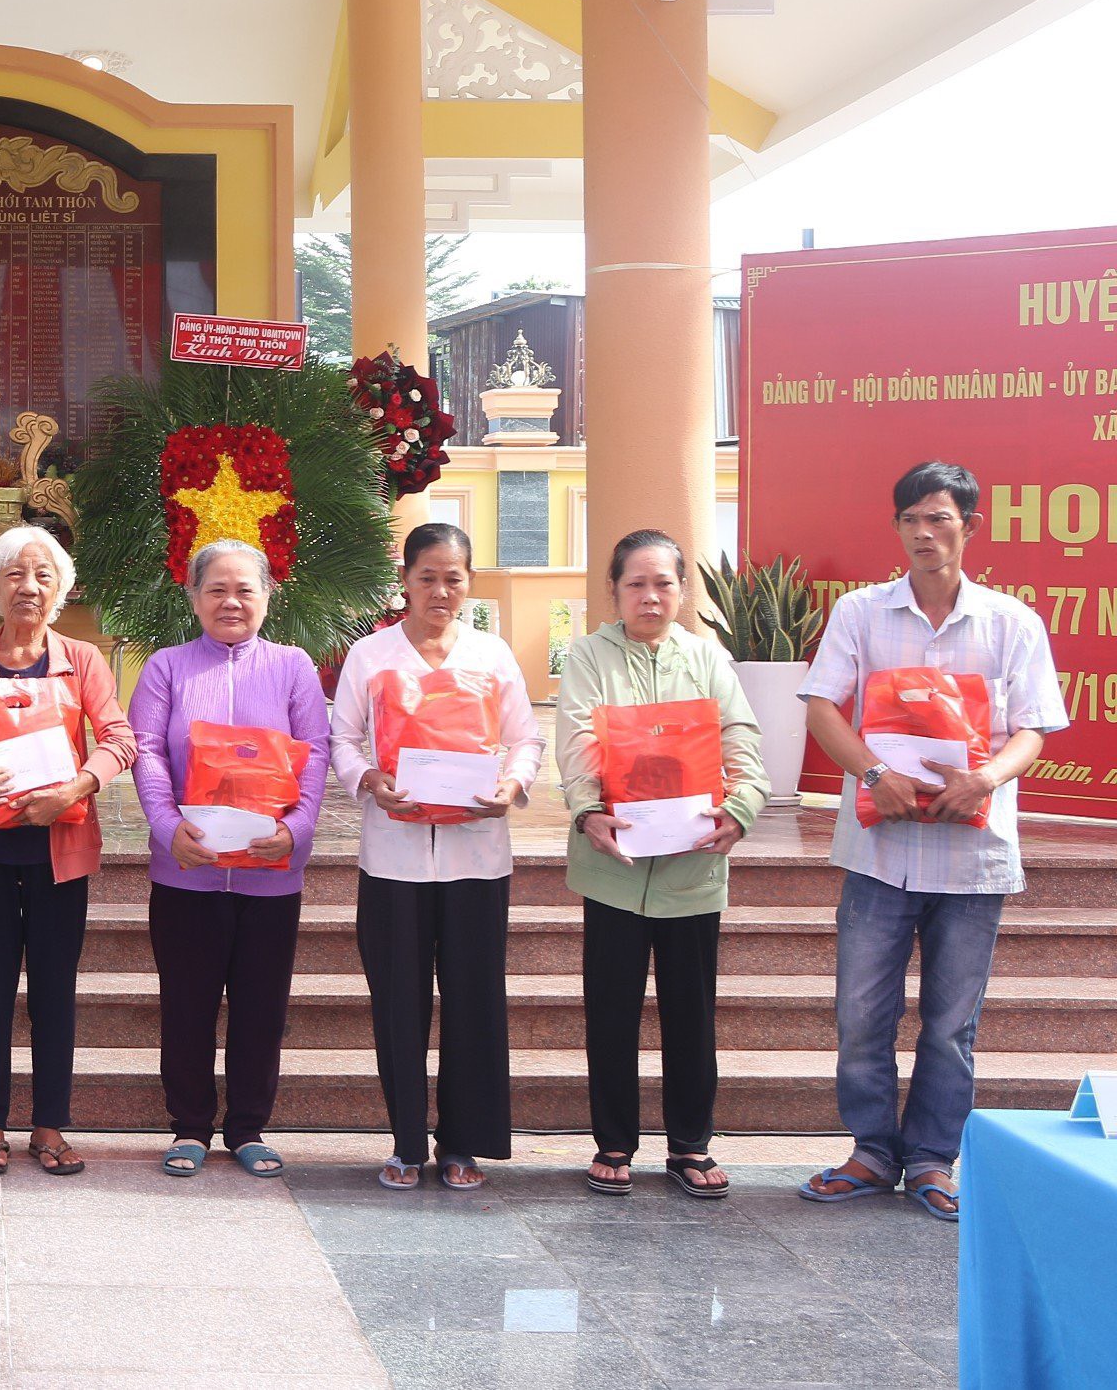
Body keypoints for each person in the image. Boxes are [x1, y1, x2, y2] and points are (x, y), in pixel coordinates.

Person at [798, 461, 1065, 1223]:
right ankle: (871, 1150)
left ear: (970, 527)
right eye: (911, 518)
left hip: (972, 859)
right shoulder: (860, 613)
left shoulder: (1012, 622)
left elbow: (1034, 728)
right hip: (880, 852)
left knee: (951, 1025)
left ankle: (931, 1159)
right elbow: (822, 707)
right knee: (860, 1013)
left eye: (939, 518)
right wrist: (874, 772)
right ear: (896, 527)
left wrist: (985, 779)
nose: (924, 532)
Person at [558, 529, 767, 1199]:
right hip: (613, 865)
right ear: (614, 590)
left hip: (692, 866)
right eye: (636, 584)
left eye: (664, 583)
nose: (651, 596)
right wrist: (588, 809)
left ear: (682, 590)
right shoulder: (588, 654)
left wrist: (743, 807)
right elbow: (577, 738)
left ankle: (690, 1143)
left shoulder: (707, 657)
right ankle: (614, 1141)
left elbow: (740, 735)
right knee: (611, 1011)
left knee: (691, 1014)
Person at [330, 523, 538, 1192]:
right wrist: (368, 778)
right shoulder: (371, 655)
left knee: (474, 999)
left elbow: (526, 739)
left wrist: (512, 786)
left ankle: (461, 1143)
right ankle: (405, 1141)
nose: (441, 591)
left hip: (477, 858)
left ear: (469, 582)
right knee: (398, 1000)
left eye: (454, 578)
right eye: (427, 578)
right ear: (405, 581)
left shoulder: (492, 654)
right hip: (393, 859)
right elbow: (341, 739)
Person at [0, 524, 133, 1178]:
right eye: (15, 573)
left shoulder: (83, 659)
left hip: (57, 850)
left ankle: (49, 1125)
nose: (29, 586)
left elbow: (120, 739)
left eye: (44, 575)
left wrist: (76, 785)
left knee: (54, 991)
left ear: (60, 588)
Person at [128, 538, 328, 1180]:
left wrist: (296, 829)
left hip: (271, 875)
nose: (231, 601)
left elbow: (316, 751)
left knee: (261, 1008)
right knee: (186, 1005)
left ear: (269, 596)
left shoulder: (293, 666)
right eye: (216, 589)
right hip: (187, 873)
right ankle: (189, 1126)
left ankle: (248, 1128)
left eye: (245, 589)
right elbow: (146, 751)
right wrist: (168, 828)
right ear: (192, 597)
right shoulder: (166, 668)